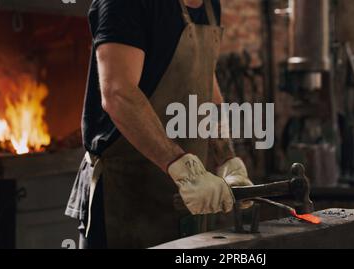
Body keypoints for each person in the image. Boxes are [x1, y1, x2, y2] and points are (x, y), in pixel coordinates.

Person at [65, 0, 253, 249]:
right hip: (124, 201)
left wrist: (226, 157)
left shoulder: (209, 6)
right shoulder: (127, 5)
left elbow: (207, 84)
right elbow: (119, 94)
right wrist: (184, 169)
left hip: (184, 202)